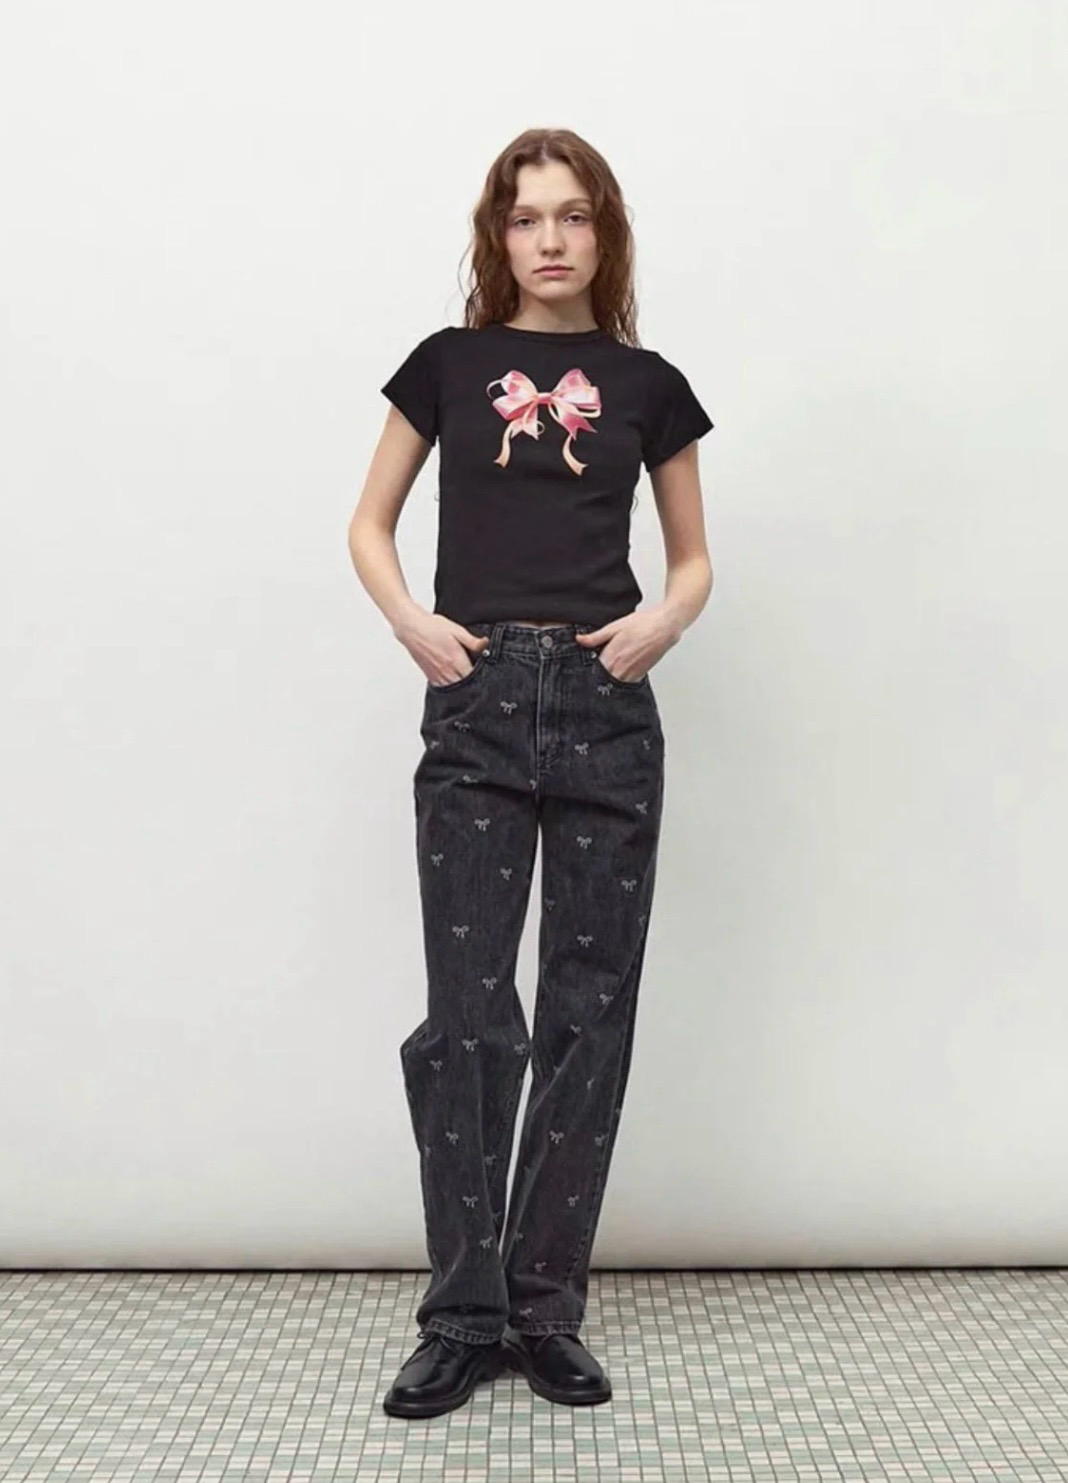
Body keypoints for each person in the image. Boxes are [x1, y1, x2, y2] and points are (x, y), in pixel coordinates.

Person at [347, 127, 715, 1418]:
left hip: (607, 704)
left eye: (573, 215)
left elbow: (692, 558)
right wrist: (416, 626)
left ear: (604, 233)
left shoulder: (649, 384)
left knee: (588, 1010)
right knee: (468, 1014)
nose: (549, 239)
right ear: (494, 237)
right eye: (524, 217)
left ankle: (546, 1309)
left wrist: (663, 624)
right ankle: (463, 1313)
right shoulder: (448, 367)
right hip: (479, 699)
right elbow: (369, 522)